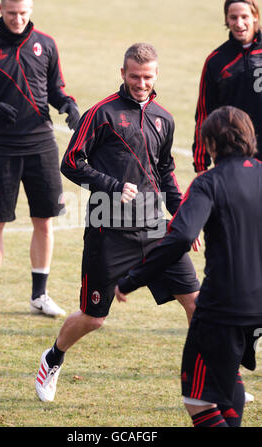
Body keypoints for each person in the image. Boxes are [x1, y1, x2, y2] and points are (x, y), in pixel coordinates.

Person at [35, 42, 200, 402]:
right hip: (107, 230)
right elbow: (71, 162)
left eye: (147, 77)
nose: (141, 83)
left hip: (155, 228)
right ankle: (53, 357)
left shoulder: (164, 118)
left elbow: (165, 171)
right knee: (94, 318)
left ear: (156, 75)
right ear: (122, 74)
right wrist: (111, 185)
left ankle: (211, 378)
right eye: (134, 76)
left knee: (195, 300)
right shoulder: (102, 114)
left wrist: (182, 215)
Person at [115, 105, 262, 427]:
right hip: (257, 307)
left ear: (210, 144)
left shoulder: (209, 182)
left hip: (221, 308)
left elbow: (181, 236)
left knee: (197, 399)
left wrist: (133, 279)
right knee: (226, 374)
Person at [0, 0, 80, 319]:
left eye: (23, 12)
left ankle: (39, 296)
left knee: (44, 221)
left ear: (31, 9)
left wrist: (69, 106)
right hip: (1, 148)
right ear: (0, 8)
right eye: (12, 12)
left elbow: (56, 90)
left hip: (42, 146)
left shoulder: (46, 45)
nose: (18, 19)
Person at [192, 0, 262, 174]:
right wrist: (201, 164)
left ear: (255, 16)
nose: (239, 23)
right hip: (231, 155)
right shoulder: (216, 61)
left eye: (244, 16)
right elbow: (204, 114)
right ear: (226, 20)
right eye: (233, 17)